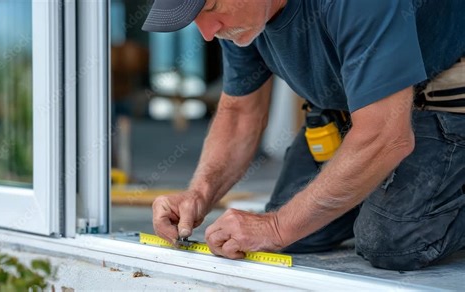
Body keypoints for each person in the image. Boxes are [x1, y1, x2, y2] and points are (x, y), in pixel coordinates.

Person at [142, 0, 465, 271]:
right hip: (354, 111)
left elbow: (386, 136)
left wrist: (277, 227)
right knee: (298, 233)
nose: (208, 33)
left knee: (393, 238)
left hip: (443, 102)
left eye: (210, 6)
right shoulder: (242, 18)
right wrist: (199, 194)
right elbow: (241, 115)